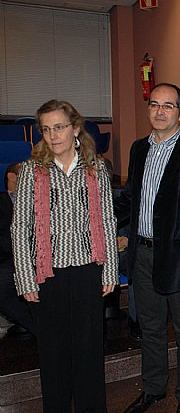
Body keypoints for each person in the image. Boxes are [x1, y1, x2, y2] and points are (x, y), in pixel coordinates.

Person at [11, 100, 118, 412]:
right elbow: (20, 228)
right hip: (48, 273)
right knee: (54, 353)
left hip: (88, 271)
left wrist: (110, 270)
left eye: (58, 127)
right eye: (45, 129)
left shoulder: (97, 168)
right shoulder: (31, 170)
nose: (52, 135)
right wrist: (25, 277)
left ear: (75, 128)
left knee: (89, 351)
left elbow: (108, 221)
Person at [115, 83, 180, 413]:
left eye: (168, 106)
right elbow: (130, 198)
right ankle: (154, 389)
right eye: (154, 105)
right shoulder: (138, 149)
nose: (159, 111)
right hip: (141, 254)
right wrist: (106, 223)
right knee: (151, 327)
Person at [1, 163, 36, 340]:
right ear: (12, 177)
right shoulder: (1, 202)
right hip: (10, 258)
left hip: (42, 255)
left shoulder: (39, 198)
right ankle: (42, 330)